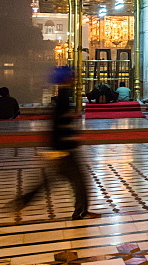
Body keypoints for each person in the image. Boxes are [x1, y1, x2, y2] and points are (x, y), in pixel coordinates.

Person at [13, 67, 99, 220]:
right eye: (71, 78)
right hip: (64, 151)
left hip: (59, 150)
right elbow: (60, 126)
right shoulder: (64, 99)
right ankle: (81, 212)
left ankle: (24, 200)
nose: (74, 80)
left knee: (48, 181)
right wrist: (67, 144)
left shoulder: (62, 98)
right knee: (79, 182)